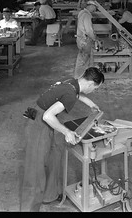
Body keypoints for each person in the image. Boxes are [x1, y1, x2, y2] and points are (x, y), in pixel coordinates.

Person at [20, 67, 104, 212]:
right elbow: (47, 116)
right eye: (95, 88)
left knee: (54, 154)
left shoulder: (72, 83)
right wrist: (67, 132)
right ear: (90, 84)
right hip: (38, 123)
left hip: (39, 115)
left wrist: (91, 105)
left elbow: (77, 95)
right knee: (35, 170)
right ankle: (29, 208)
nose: (94, 91)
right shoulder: (70, 93)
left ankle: (49, 195)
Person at [74, 1, 98, 79]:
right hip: (85, 40)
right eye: (95, 8)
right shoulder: (86, 15)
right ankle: (78, 78)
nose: (95, 10)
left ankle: (87, 76)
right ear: (91, 6)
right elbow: (89, 30)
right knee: (83, 60)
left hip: (80, 39)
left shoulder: (81, 12)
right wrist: (95, 39)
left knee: (85, 58)